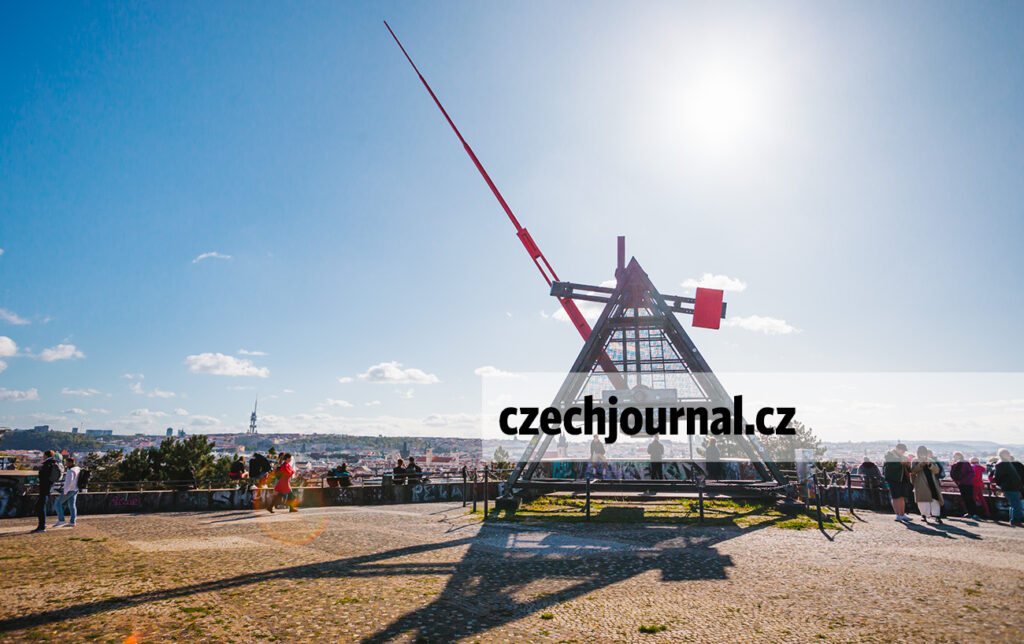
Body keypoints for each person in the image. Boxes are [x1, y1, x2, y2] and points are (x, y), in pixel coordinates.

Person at [911, 445, 944, 524]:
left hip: (932, 482)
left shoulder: (930, 460)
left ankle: (936, 515)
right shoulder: (915, 460)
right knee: (923, 500)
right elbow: (913, 471)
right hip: (921, 483)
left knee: (935, 499)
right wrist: (920, 465)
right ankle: (924, 515)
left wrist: (929, 465)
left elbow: (936, 471)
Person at [32, 450, 62, 533]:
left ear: (46, 455)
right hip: (48, 488)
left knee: (40, 507)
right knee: (40, 506)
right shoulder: (52, 463)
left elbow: (43, 476)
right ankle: (42, 525)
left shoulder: (47, 464)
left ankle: (42, 526)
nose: (43, 456)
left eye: (43, 455)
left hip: (44, 488)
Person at [883, 443, 913, 522]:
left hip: (902, 479)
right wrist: (900, 463)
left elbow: (909, 469)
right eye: (902, 450)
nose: (903, 452)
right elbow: (889, 466)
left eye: (904, 451)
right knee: (896, 497)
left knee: (902, 497)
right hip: (894, 479)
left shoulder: (902, 457)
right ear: (897, 448)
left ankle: (902, 514)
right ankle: (898, 515)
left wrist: (908, 464)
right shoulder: (889, 455)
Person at [993, 448, 1024, 525]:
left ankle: (1015, 520)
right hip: (1010, 487)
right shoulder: (1002, 463)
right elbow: (997, 477)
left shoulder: (1004, 463)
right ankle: (1015, 520)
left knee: (1015, 505)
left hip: (1012, 486)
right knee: (1017, 505)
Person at [950, 452, 982, 520]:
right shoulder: (955, 464)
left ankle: (974, 513)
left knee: (970, 499)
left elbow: (971, 473)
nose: (955, 457)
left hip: (968, 484)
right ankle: (969, 512)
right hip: (962, 484)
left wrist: (963, 480)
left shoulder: (965, 463)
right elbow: (953, 474)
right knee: (965, 499)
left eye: (956, 456)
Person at [53, 456, 81, 528]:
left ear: (70, 463)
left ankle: (61, 519)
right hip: (76, 489)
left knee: (57, 504)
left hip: (69, 490)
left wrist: (65, 492)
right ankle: (72, 521)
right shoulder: (78, 469)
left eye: (67, 463)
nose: (66, 464)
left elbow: (69, 483)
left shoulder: (70, 471)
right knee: (72, 505)